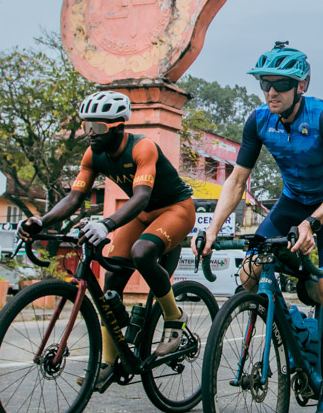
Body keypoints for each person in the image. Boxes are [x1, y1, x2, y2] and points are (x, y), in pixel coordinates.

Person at [197, 42, 323, 413]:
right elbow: (237, 181)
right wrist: (213, 228)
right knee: (250, 273)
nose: (271, 92)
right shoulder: (258, 121)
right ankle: (292, 324)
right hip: (290, 203)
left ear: (301, 85)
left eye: (281, 84)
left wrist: (312, 223)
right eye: (265, 83)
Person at [19, 89, 196, 386]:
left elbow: (141, 196)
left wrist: (107, 224)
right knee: (110, 282)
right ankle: (109, 361)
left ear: (119, 127)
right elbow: (74, 198)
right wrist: (41, 220)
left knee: (141, 253)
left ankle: (174, 319)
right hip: (140, 215)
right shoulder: (93, 154)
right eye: (86, 126)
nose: (90, 134)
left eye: (98, 128)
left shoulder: (143, 148)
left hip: (174, 209)